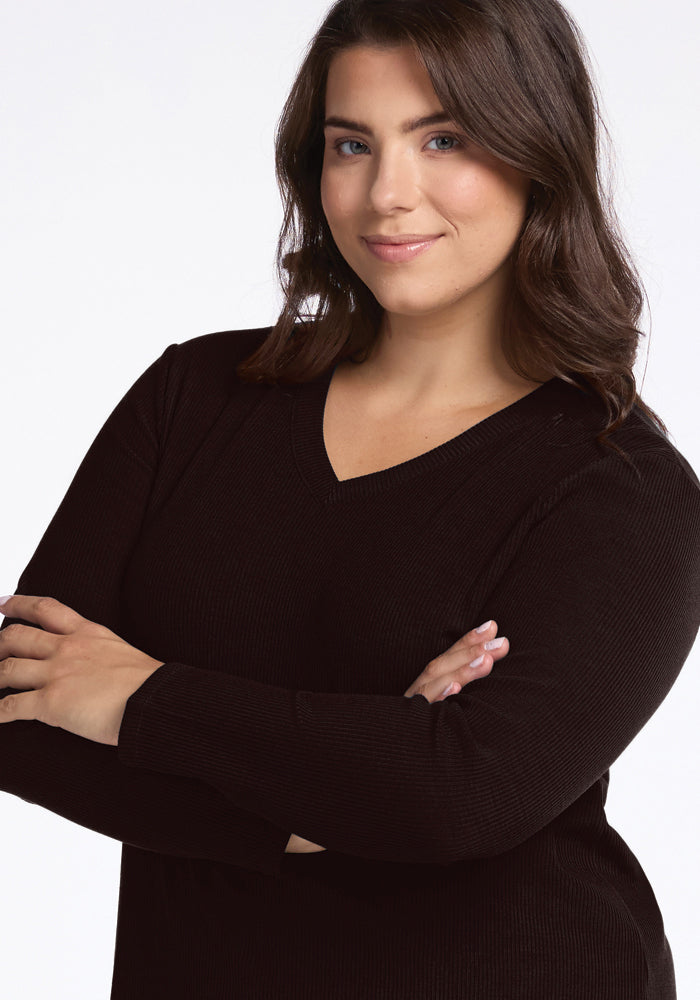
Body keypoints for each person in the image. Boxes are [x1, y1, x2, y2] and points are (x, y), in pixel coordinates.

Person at [1, 0, 699, 996]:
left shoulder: (619, 488)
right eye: (350, 144)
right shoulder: (191, 400)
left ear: (536, 151)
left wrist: (138, 695)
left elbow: (458, 795)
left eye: (443, 138)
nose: (386, 194)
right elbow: (19, 714)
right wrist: (335, 791)